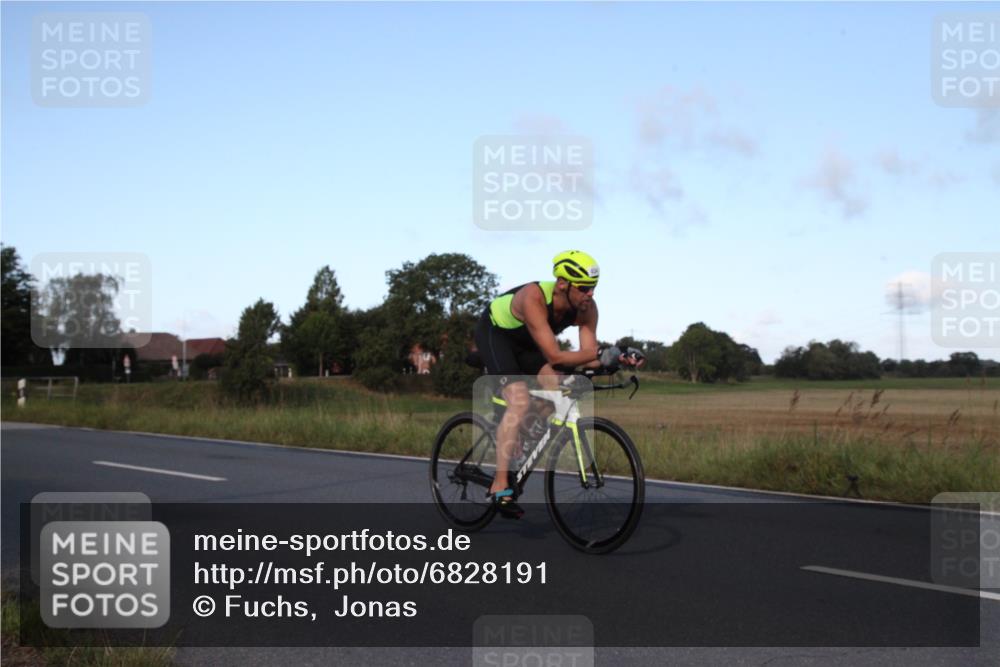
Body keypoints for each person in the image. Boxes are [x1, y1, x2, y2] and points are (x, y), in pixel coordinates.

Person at [473, 250, 644, 518]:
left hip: (529, 342)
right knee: (518, 400)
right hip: (497, 335)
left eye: (594, 288)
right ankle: (499, 484)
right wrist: (600, 353)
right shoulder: (533, 297)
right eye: (585, 288)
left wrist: (618, 356)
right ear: (563, 284)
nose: (590, 295)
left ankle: (519, 440)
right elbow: (555, 356)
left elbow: (588, 356)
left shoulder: (588, 309)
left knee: (557, 388)